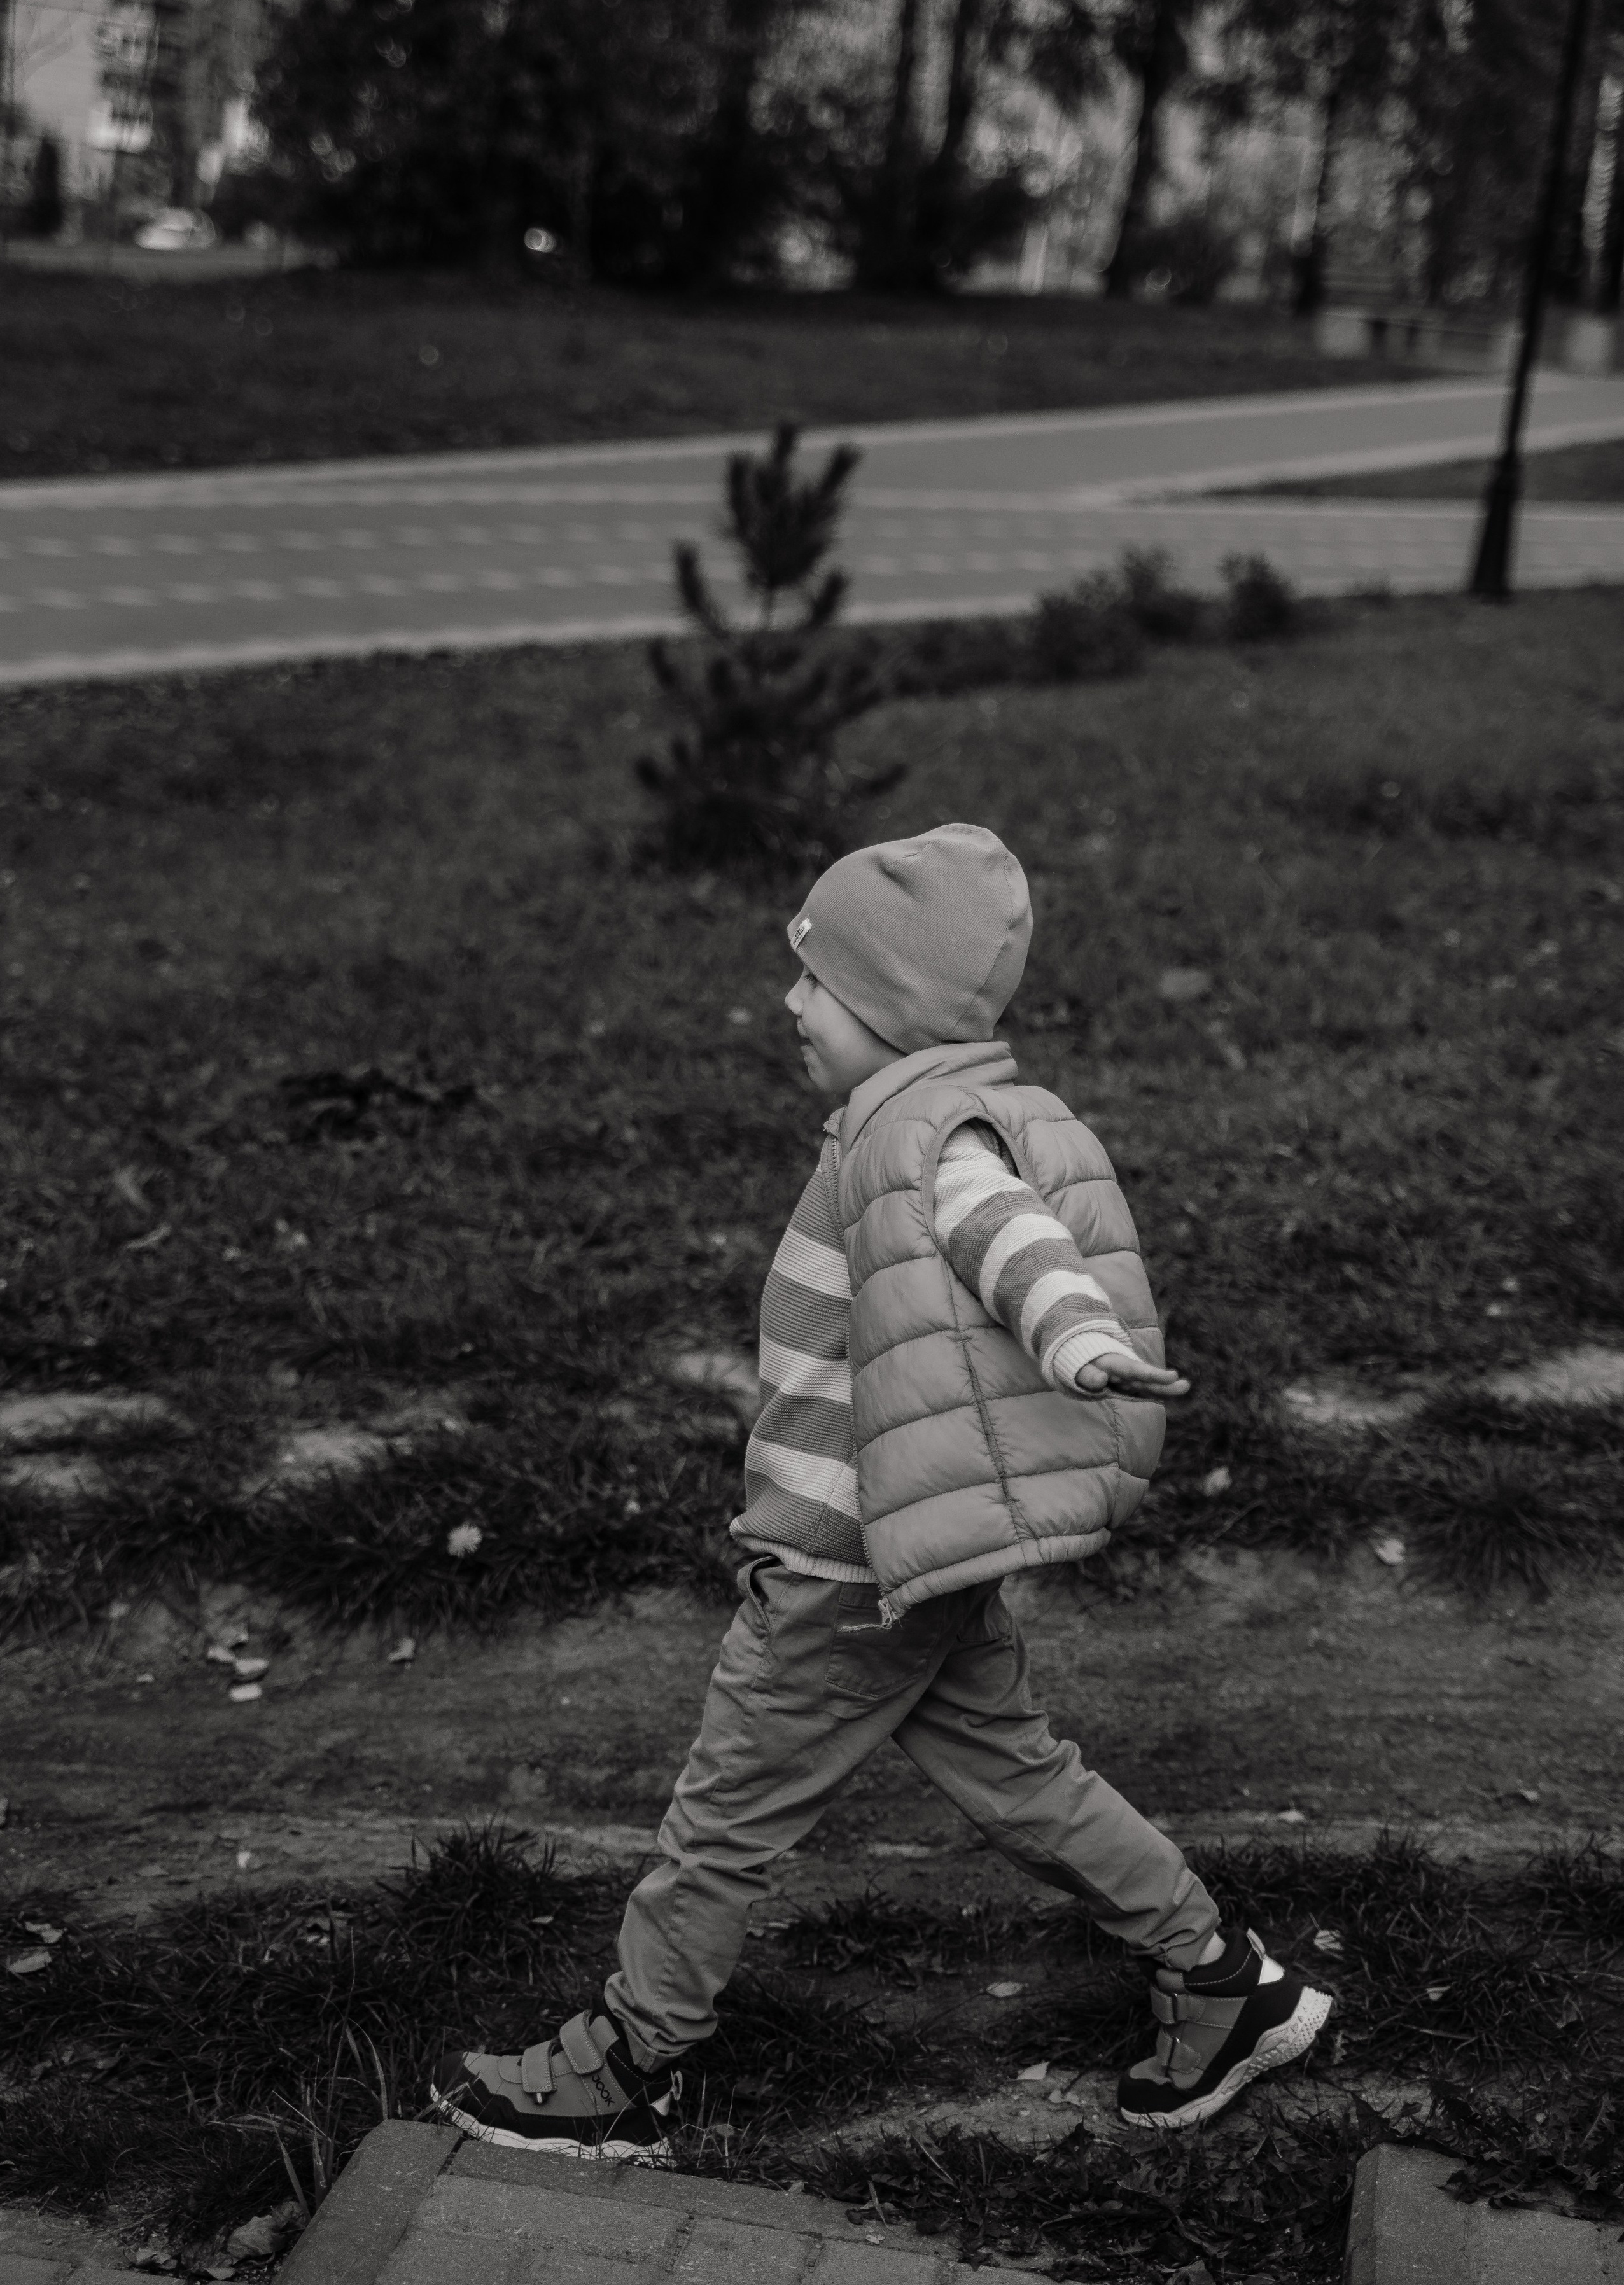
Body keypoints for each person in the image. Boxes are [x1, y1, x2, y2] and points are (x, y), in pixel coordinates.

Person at [433, 822, 1330, 2158]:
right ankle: (1219, 1979)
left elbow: (1011, 1233)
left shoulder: (923, 1135)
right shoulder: (898, 1120)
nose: (789, 1000)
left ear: (894, 1009)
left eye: (819, 980)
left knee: (721, 1823)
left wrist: (1077, 1334)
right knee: (1021, 1777)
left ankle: (630, 2061)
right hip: (905, 1564)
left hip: (842, 1574)